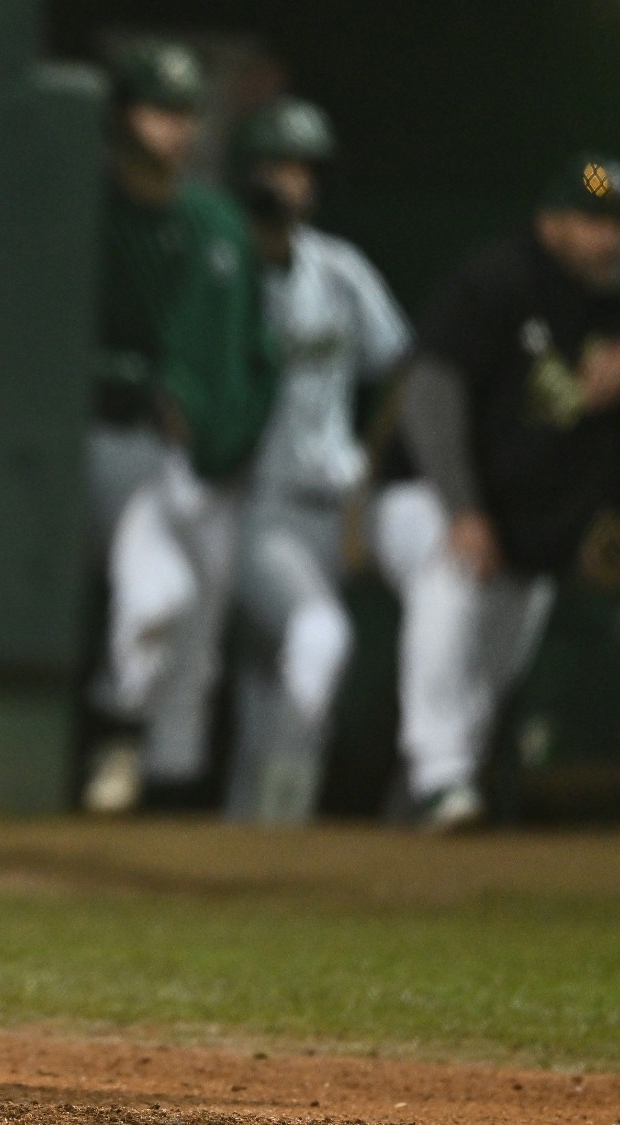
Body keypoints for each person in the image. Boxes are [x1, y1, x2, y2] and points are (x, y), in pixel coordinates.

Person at [372, 152, 620, 830]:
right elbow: (427, 391)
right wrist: (463, 509)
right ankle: (440, 777)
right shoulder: (497, 280)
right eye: (596, 220)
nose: (611, 238)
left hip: (529, 532)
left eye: (619, 223)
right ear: (552, 223)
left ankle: (419, 804)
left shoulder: (612, 303)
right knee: (450, 579)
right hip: (426, 497)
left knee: (486, 676)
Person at [81, 42, 280, 813]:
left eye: (185, 115)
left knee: (193, 630)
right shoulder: (89, 205)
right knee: (158, 596)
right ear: (124, 115)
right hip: (110, 440)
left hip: (201, 457)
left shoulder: (213, 220)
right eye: (159, 111)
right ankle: (116, 733)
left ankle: (165, 782)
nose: (174, 130)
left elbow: (256, 355)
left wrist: (229, 429)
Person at [223, 98, 411, 824]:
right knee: (317, 638)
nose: (290, 182)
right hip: (253, 504)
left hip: (332, 501)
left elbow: (404, 366)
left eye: (302, 168)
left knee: (274, 677)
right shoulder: (222, 261)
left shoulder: (340, 269)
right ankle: (284, 816)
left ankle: (252, 836)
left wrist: (371, 473)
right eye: (276, 165)